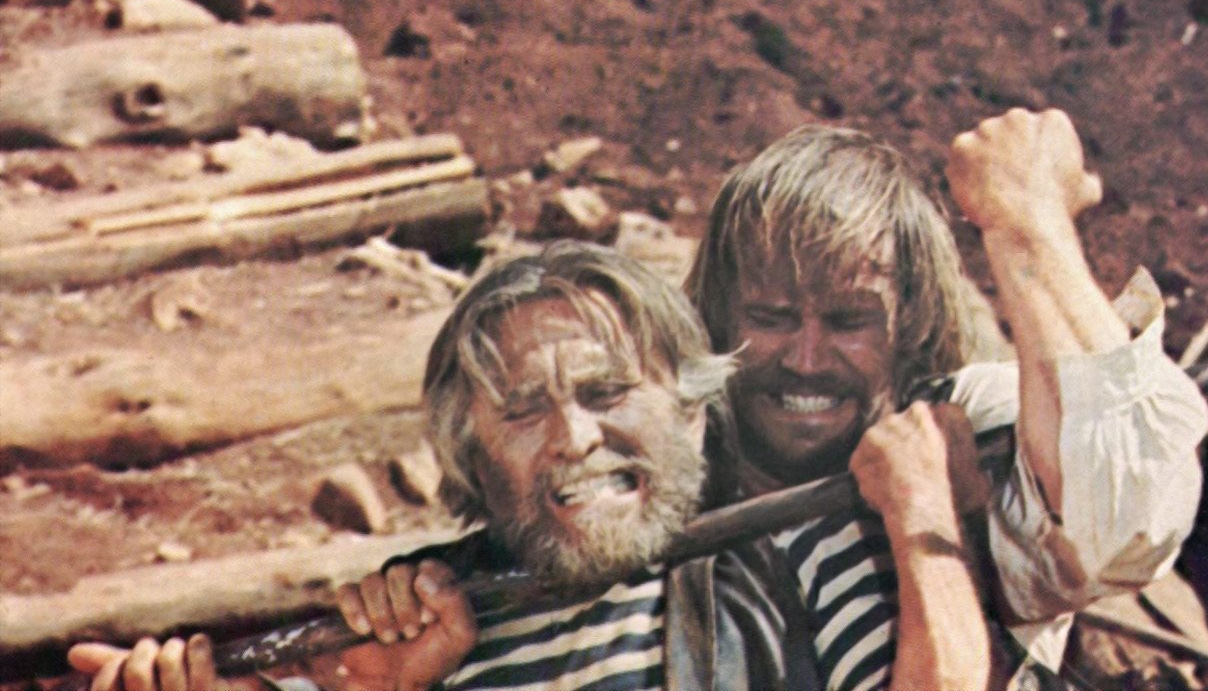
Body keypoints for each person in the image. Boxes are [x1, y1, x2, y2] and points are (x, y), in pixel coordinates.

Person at [68, 242, 991, 691]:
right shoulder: (422, 628)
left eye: (606, 391)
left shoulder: (799, 560)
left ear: (691, 407)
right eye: (521, 410)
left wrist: (924, 521)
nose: (573, 438)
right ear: (471, 456)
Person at [684, 107, 1208, 680]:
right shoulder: (669, 468)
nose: (805, 360)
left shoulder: (963, 435)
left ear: (909, 321)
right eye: (771, 317)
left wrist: (1025, 223)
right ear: (719, 312)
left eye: (849, 321)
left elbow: (1126, 510)